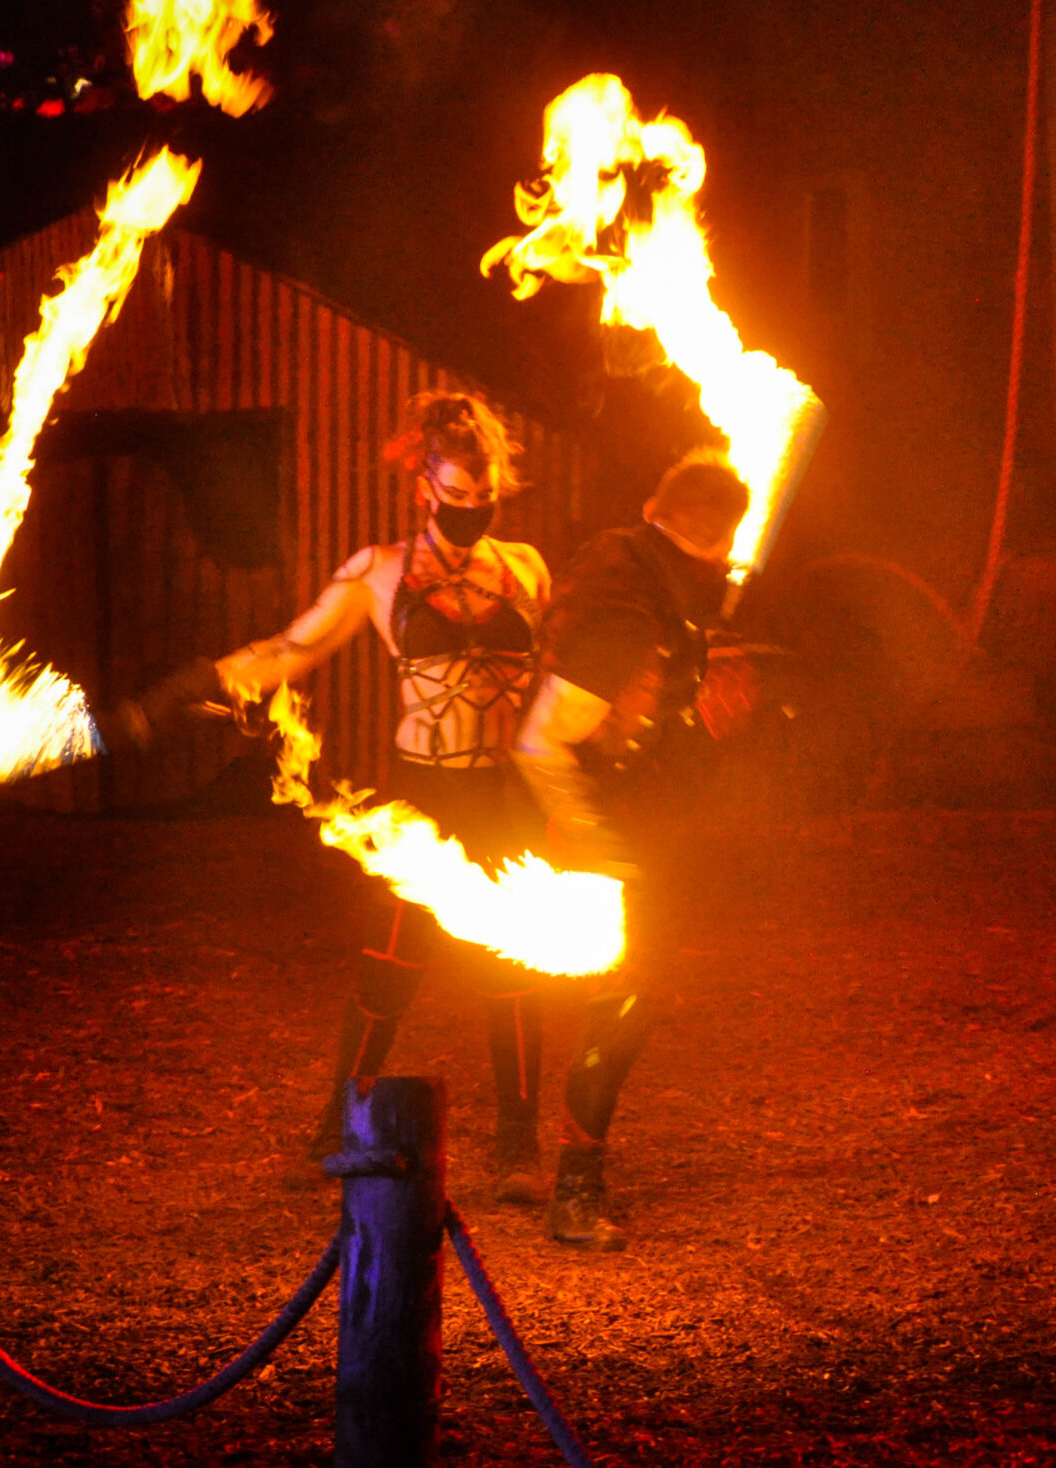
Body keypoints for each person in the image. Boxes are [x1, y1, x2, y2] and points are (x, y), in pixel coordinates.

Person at [114, 391, 554, 1199]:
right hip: (423, 798)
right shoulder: (381, 571)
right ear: (426, 485)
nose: (469, 511)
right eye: (455, 497)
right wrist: (189, 686)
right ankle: (336, 1131)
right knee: (390, 970)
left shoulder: (524, 569)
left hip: (503, 795)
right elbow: (290, 649)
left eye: (483, 499)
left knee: (515, 972)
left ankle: (520, 1151)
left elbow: (559, 683)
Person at [511, 449, 752, 1250]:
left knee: (633, 1002)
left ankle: (576, 1181)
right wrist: (601, 847)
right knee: (617, 1004)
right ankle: (574, 1196)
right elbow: (542, 742)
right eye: (722, 543)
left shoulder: (655, 583)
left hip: (647, 826)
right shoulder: (624, 618)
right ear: (692, 536)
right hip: (606, 834)